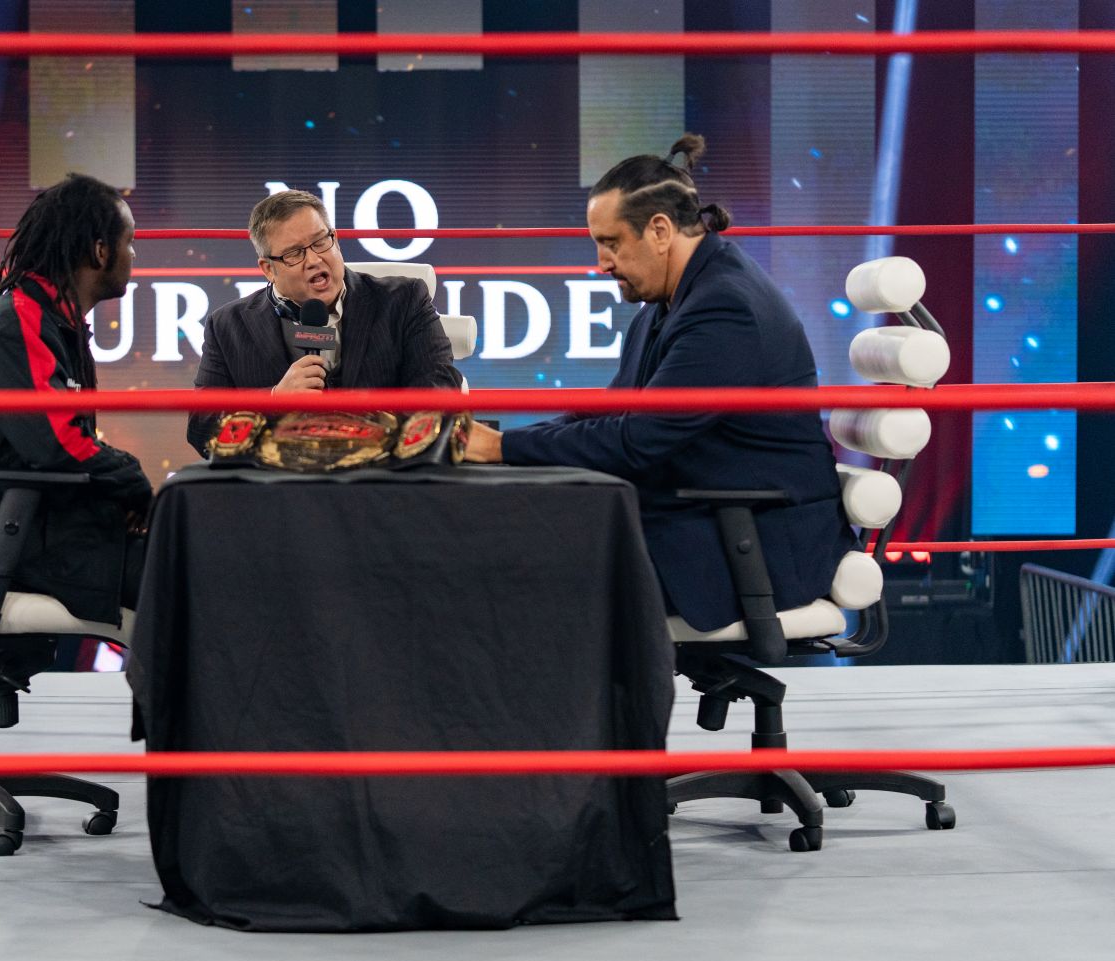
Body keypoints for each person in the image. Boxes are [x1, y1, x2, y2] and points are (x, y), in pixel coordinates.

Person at [464, 135, 856, 632]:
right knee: (526, 531)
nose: (602, 263)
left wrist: (500, 449)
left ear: (659, 230)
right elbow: (613, 413)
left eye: (611, 243)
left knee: (531, 561)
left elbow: (636, 441)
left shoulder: (725, 308)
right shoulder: (673, 298)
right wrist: (502, 446)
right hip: (701, 510)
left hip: (753, 541)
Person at [0, 173, 152, 625]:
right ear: (100, 251)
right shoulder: (19, 320)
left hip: (35, 533)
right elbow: (54, 443)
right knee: (189, 572)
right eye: (130, 242)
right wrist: (131, 480)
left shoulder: (48, 319)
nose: (134, 254)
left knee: (190, 555)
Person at [185, 189, 462, 455]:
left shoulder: (404, 300)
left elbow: (440, 392)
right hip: (278, 479)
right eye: (294, 253)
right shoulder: (227, 326)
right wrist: (273, 402)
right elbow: (202, 428)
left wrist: (368, 427)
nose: (314, 260)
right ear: (268, 269)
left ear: (336, 240)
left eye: (320, 242)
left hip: (381, 473)